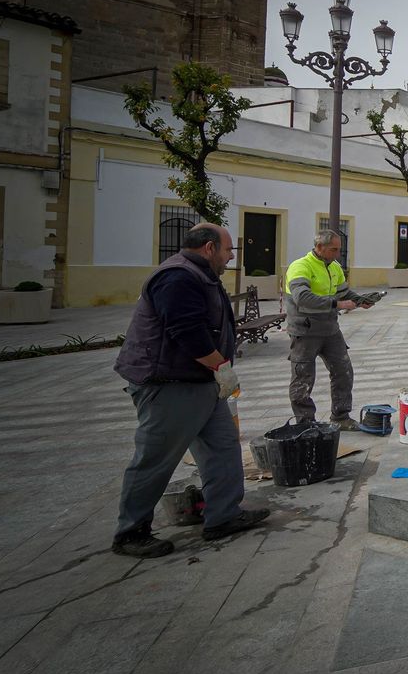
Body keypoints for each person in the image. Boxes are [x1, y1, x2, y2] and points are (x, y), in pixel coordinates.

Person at [111, 223, 269, 558]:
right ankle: (131, 532)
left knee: (223, 447)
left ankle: (223, 516)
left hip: (200, 382)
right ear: (210, 248)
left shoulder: (200, 274)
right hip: (169, 385)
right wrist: (222, 368)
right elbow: (188, 333)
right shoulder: (178, 277)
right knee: (156, 458)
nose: (230, 258)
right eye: (228, 251)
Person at [285, 229, 373, 427]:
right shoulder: (300, 266)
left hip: (330, 330)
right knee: (303, 379)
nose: (337, 254)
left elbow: (343, 292)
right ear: (319, 247)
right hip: (305, 332)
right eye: (333, 249)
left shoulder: (334, 267)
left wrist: (360, 300)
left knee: (343, 371)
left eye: (339, 249)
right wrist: (338, 305)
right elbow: (302, 297)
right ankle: (305, 424)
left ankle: (340, 417)